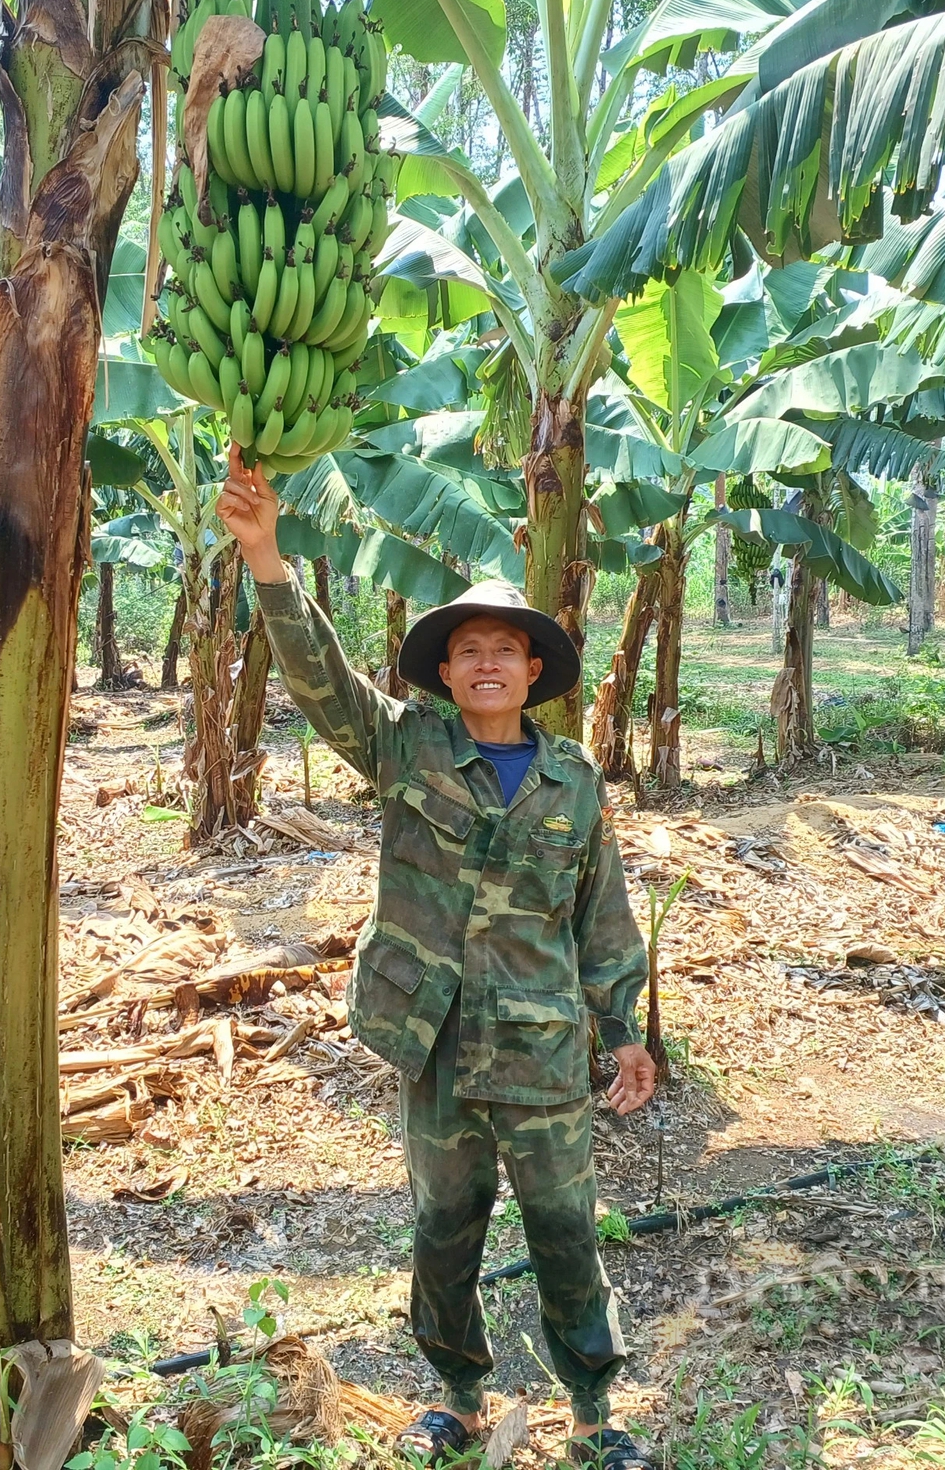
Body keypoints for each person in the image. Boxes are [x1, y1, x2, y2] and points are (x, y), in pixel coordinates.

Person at [217, 455, 659, 1469]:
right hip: (438, 1042)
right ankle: (456, 1397)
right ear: (447, 673)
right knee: (443, 1232)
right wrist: (264, 557)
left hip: (543, 1046)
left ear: (533, 672)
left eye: (506, 649)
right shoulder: (406, 749)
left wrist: (624, 1028)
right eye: (469, 652)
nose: (488, 664)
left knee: (563, 1232)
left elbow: (600, 915)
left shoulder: (573, 781)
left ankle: (592, 1413)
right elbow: (321, 682)